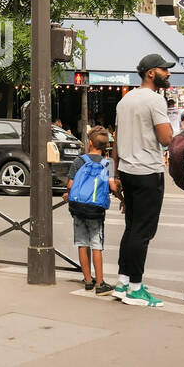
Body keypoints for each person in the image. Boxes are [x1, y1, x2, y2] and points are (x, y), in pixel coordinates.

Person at [110, 53, 175, 307]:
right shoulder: (155, 100)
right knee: (143, 231)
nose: (168, 74)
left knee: (131, 227)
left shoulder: (125, 100)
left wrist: (114, 175)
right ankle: (136, 288)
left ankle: (122, 282)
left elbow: (116, 139)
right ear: (151, 73)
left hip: (127, 171)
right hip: (148, 172)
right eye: (164, 70)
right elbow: (166, 138)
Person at [64, 126, 116, 294]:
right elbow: (112, 186)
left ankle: (87, 280)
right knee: (96, 245)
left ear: (90, 143)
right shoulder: (109, 163)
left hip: (78, 207)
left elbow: (70, 185)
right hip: (96, 210)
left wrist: (68, 195)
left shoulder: (79, 161)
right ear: (106, 146)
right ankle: (100, 283)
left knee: (81, 243)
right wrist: (122, 197)